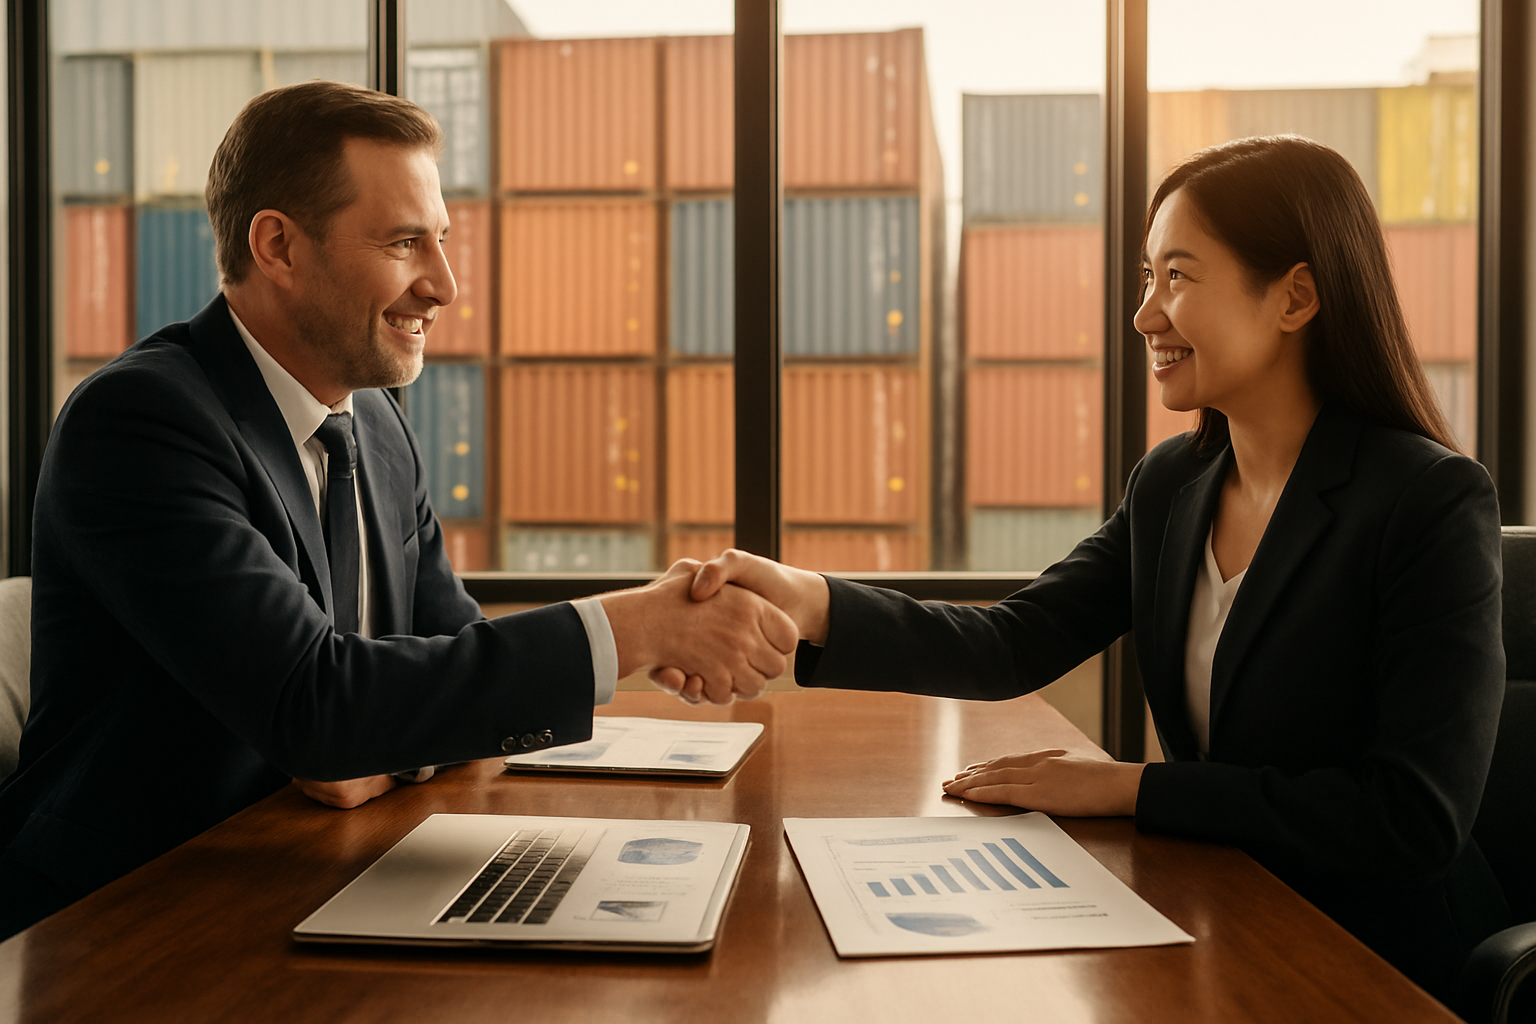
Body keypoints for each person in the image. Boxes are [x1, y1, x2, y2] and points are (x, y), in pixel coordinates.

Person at [659, 136, 1509, 998]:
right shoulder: (1172, 485)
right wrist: (809, 600)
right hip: (1225, 914)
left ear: (1295, 296)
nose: (1145, 314)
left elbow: (1412, 820)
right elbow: (1011, 643)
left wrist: (1134, 789)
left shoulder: (1428, 501)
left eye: (1177, 276)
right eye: (1147, 277)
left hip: (1382, 963)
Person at [0, 81, 797, 938]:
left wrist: (379, 737)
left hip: (310, 872)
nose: (445, 286)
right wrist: (633, 629)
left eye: (441, 242)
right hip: (128, 918)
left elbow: (444, 668)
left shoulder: (375, 425)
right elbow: (322, 707)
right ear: (277, 245)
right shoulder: (141, 425)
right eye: (405, 243)